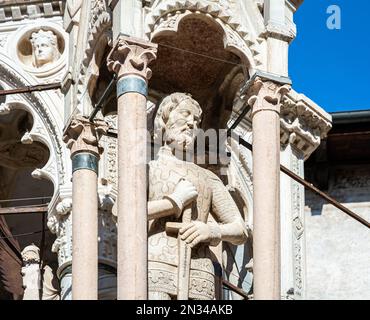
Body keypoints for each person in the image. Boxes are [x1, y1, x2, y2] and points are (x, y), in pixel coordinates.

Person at [147, 92, 247, 300]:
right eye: (185, 114)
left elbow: (240, 229)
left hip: (200, 272)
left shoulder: (207, 177)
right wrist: (174, 201)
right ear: (164, 119)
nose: (192, 123)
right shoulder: (148, 169)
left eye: (197, 120)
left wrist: (211, 230)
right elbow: (123, 212)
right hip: (156, 264)